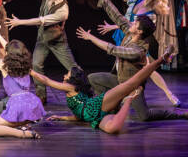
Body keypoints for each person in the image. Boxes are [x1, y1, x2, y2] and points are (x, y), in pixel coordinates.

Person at [87, 0, 188, 122]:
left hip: (132, 87)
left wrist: (91, 37)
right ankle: (109, 108)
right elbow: (117, 17)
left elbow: (113, 49)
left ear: (139, 31)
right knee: (93, 78)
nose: (131, 23)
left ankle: (179, 114)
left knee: (144, 116)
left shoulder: (137, 50)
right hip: (120, 81)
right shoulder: (129, 32)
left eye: (134, 24)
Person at [96, 0, 181, 106]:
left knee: (149, 68)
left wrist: (112, 26)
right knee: (120, 65)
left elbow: (133, 26)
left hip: (136, 41)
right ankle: (116, 96)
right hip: (123, 35)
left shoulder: (151, 15)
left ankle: (168, 94)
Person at [30, 45, 175, 134]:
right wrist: (62, 118)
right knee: (113, 129)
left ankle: (161, 59)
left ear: (73, 80)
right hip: (95, 118)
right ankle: (129, 99)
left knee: (131, 83)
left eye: (66, 75)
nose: (64, 76)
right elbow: (80, 116)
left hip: (97, 105)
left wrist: (30, 71)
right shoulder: (73, 91)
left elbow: (46, 81)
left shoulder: (70, 87)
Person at [5, 0, 79, 104]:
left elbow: (41, 20)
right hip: (42, 39)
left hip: (57, 42)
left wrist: (20, 22)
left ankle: (86, 91)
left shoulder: (63, 11)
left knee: (73, 68)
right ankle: (41, 96)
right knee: (36, 65)